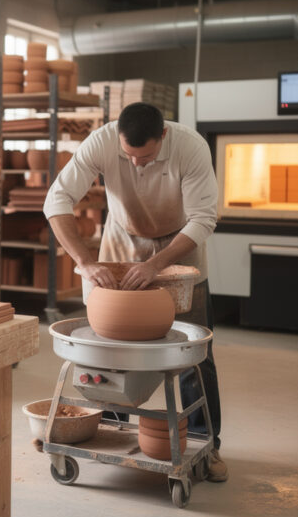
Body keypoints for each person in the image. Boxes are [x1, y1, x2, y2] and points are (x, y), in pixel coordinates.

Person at [43, 102, 227, 482]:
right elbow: (56, 199)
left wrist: (156, 265)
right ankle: (111, 431)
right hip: (123, 238)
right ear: (118, 138)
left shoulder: (191, 147)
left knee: (193, 355)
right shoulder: (101, 141)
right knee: (112, 350)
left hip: (180, 244)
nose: (136, 163)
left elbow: (203, 218)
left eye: (145, 157)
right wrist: (84, 262)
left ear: (164, 136)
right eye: (128, 156)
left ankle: (206, 445)